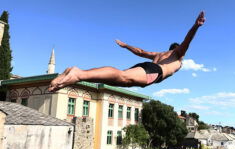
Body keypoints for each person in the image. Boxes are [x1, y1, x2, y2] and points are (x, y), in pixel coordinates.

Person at [48, 11, 206, 92]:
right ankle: (78, 73)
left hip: (147, 66)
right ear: (178, 49)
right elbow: (187, 41)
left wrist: (126, 46)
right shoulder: (178, 56)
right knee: (121, 76)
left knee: (116, 80)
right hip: (154, 72)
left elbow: (140, 51)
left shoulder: (159, 54)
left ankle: (77, 75)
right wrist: (196, 26)